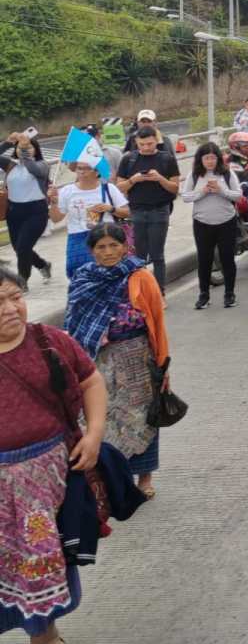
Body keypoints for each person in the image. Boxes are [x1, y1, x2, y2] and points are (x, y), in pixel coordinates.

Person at [0, 266, 107, 644]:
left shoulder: (50, 341)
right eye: (0, 301)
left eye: (16, 297)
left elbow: (91, 379)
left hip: (47, 487)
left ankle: (46, 640)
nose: (11, 309)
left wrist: (93, 434)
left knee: (40, 563)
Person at [65, 222, 169, 497]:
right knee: (101, 417)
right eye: (101, 247)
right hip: (97, 360)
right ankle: (111, 479)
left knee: (142, 416)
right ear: (91, 251)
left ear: (125, 247)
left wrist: (162, 363)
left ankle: (144, 478)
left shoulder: (140, 276)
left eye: (115, 245)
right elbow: (74, 322)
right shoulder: (83, 279)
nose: (109, 252)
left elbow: (156, 322)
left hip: (136, 356)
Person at [115, 127, 181, 290]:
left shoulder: (167, 159)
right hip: (136, 211)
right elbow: (120, 187)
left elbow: (175, 188)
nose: (145, 148)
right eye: (142, 144)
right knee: (139, 256)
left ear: (156, 141)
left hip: (159, 210)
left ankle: (160, 293)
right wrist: (134, 180)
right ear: (136, 143)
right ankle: (142, 292)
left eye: (150, 144)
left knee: (157, 255)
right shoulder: (128, 159)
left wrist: (159, 178)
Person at [180, 141, 241, 310]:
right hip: (202, 222)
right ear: (200, 159)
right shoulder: (194, 175)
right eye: (206, 158)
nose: (210, 162)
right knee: (204, 260)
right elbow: (185, 197)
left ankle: (229, 294)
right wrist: (203, 192)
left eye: (213, 158)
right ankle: (203, 295)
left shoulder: (227, 173)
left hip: (226, 221)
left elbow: (237, 196)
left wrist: (221, 190)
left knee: (227, 258)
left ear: (219, 158)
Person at [47, 161, 130, 279]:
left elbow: (127, 212)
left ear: (97, 172)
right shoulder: (67, 191)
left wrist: (109, 208)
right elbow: (56, 219)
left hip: (105, 236)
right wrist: (54, 202)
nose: (81, 172)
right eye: (79, 168)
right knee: (78, 274)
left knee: (109, 272)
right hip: (78, 239)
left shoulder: (108, 188)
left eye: (86, 169)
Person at [0, 132, 54, 285]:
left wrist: (23, 148)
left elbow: (32, 168)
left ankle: (21, 281)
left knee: (23, 247)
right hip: (14, 212)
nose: (25, 149)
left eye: (30, 147)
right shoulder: (10, 165)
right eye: (22, 147)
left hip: (36, 212)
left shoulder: (42, 165)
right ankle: (42, 265)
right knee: (19, 248)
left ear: (36, 149)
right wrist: (8, 143)